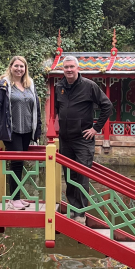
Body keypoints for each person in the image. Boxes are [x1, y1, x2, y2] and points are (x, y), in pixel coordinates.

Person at [54, 55, 112, 222]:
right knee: (69, 175)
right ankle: (72, 208)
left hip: (82, 139)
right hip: (65, 139)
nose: (69, 70)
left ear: (78, 68)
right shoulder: (59, 86)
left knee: (82, 174)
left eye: (72, 67)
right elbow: (59, 108)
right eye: (66, 67)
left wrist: (96, 128)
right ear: (63, 69)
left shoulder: (89, 86)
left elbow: (107, 105)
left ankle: (81, 212)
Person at [0, 56, 42, 210]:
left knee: (20, 164)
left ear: (25, 68)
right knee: (16, 163)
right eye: (16, 66)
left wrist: (37, 130)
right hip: (12, 130)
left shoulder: (30, 85)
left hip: (27, 130)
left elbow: (36, 107)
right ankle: (14, 199)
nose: (19, 69)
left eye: (22, 66)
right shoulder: (4, 85)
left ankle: (16, 197)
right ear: (10, 67)